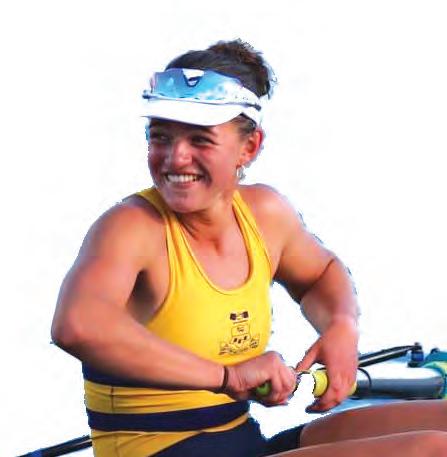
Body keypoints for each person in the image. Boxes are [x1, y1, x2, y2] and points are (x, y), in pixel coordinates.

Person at [51, 39, 447, 457]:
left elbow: (320, 274)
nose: (175, 158)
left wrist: (341, 328)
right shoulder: (130, 227)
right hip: (157, 451)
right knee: (432, 450)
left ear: (250, 147)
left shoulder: (266, 214)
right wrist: (227, 376)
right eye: (161, 137)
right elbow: (77, 326)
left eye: (200, 140)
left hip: (242, 442)